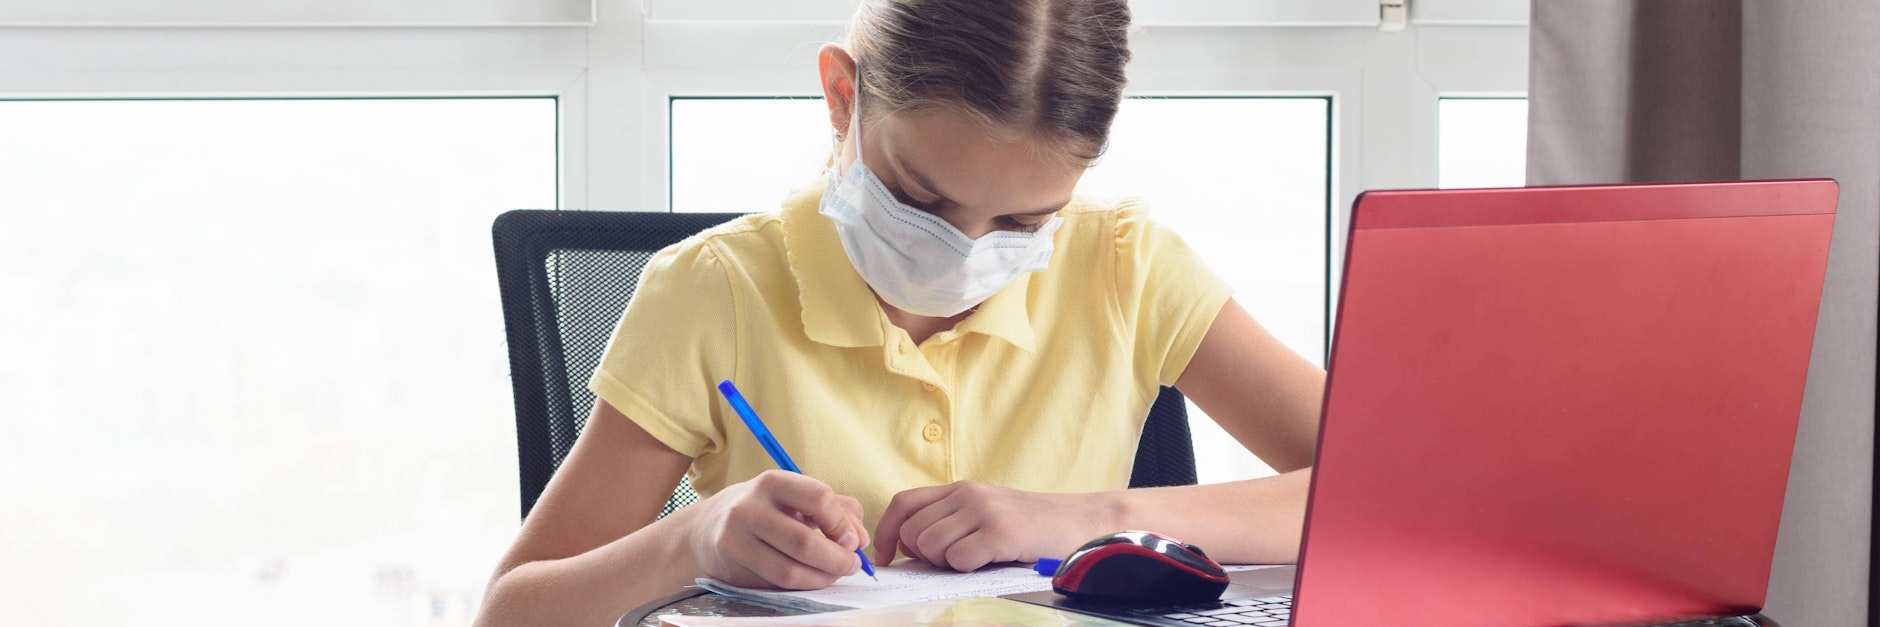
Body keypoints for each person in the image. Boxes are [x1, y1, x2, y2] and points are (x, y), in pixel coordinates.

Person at [474, 1, 1325, 624]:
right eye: (920, 198)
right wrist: (692, 541)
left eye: (1026, 223)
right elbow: (509, 615)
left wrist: (1088, 518)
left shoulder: (1125, 263)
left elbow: (1406, 498)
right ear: (843, 96)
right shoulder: (712, 290)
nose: (964, 250)